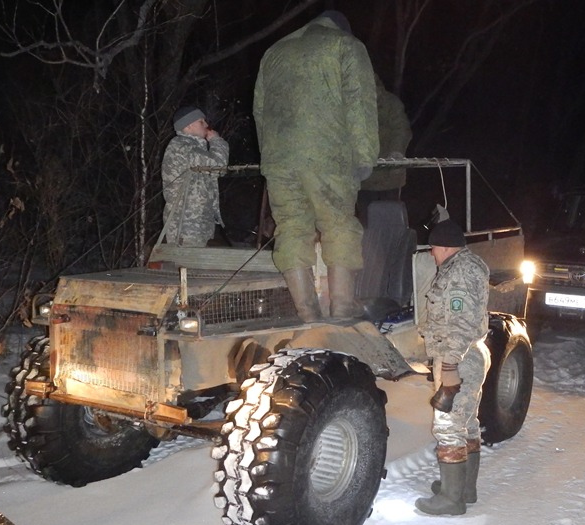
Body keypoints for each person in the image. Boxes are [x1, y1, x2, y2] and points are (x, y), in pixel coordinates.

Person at [253, 10, 379, 321]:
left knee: (292, 230)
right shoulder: (346, 46)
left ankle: (307, 316)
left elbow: (260, 110)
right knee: (338, 226)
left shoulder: (275, 51)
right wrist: (365, 157)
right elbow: (360, 104)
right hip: (327, 156)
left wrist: (270, 156)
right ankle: (342, 313)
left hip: (279, 159)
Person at [416, 218, 491, 516]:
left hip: (458, 358)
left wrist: (448, 366)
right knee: (467, 422)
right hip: (470, 355)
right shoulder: (467, 264)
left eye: (433, 248)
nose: (432, 253)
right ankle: (465, 489)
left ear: (446, 247)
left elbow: (460, 323)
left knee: (448, 427)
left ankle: (450, 499)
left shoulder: (458, 274)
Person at [161, 106, 229, 246]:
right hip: (185, 224)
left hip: (196, 222)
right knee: (186, 264)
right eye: (201, 121)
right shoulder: (181, 147)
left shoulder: (194, 148)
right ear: (189, 126)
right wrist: (217, 141)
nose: (206, 125)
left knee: (194, 265)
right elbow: (218, 166)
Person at [356, 73, 412, 227]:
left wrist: (396, 154)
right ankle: (368, 250)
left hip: (390, 176)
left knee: (391, 222)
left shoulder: (390, 103)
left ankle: (392, 249)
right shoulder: (354, 108)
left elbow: (402, 129)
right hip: (365, 178)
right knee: (366, 223)